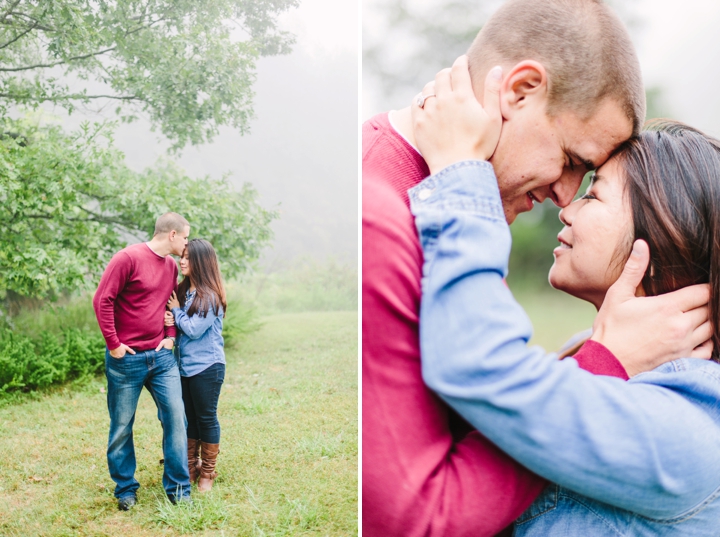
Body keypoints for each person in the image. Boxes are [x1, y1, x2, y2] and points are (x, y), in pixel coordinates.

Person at [362, 0, 710, 535]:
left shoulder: (458, 215)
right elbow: (419, 516)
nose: (564, 199)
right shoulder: (386, 222)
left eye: (591, 187)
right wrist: (598, 359)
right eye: (573, 161)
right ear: (520, 92)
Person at [411, 93, 720, 531]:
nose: (567, 207)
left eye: (593, 196)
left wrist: (460, 172)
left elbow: (478, 364)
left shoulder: (691, 428)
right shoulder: (594, 355)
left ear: (666, 231)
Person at [93, 212, 191, 510]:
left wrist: (171, 335)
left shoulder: (170, 266)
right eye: (185, 236)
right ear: (172, 234)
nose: (186, 243)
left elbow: (167, 304)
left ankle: (178, 489)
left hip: (161, 358)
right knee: (122, 424)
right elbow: (102, 300)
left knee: (176, 417)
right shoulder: (127, 258)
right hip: (127, 360)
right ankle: (125, 489)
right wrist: (114, 345)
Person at [165, 239, 226, 493]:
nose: (182, 261)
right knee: (189, 419)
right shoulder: (184, 290)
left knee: (206, 418)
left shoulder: (209, 296)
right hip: (186, 367)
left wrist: (176, 314)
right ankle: (190, 467)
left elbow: (193, 329)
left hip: (208, 366)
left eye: (188, 258)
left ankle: (208, 473)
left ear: (201, 262)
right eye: (183, 256)